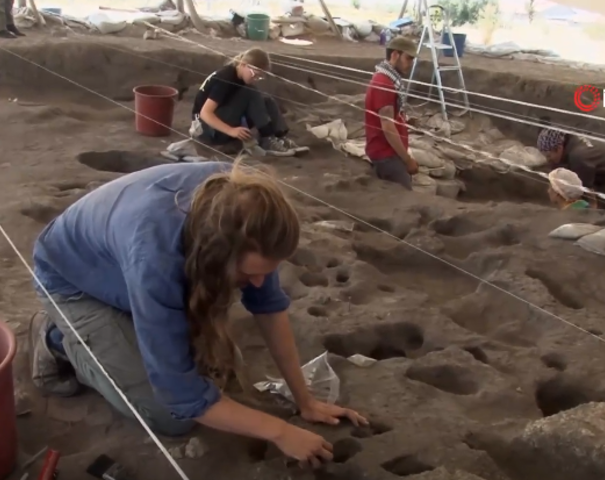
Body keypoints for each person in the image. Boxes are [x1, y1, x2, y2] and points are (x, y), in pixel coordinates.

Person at [29, 160, 366, 467]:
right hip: (72, 280)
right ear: (216, 253)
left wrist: (305, 399)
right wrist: (280, 432)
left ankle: (122, 328)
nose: (259, 282)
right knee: (169, 417)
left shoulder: (246, 208)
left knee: (218, 370)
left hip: (124, 265)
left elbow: (268, 307)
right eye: (250, 275)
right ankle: (57, 338)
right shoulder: (158, 260)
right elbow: (184, 399)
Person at [192, 48, 306, 157]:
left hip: (218, 121)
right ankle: (267, 140)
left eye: (259, 77)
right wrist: (231, 130)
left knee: (266, 100)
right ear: (243, 64)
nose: (256, 78)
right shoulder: (225, 79)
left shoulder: (238, 76)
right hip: (206, 131)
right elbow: (205, 113)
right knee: (250, 91)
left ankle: (279, 138)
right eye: (254, 74)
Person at [364, 36, 420, 190]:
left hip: (390, 151)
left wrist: (404, 121)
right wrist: (408, 160)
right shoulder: (384, 83)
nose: (411, 63)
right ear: (395, 55)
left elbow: (389, 117)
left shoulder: (389, 79)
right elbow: (387, 126)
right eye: (408, 58)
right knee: (404, 195)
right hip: (385, 155)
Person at [536, 128, 605, 208]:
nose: (548, 160)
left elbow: (585, 189)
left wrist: (592, 207)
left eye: (549, 156)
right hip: (594, 162)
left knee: (601, 208)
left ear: (559, 148)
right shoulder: (566, 140)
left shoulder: (579, 157)